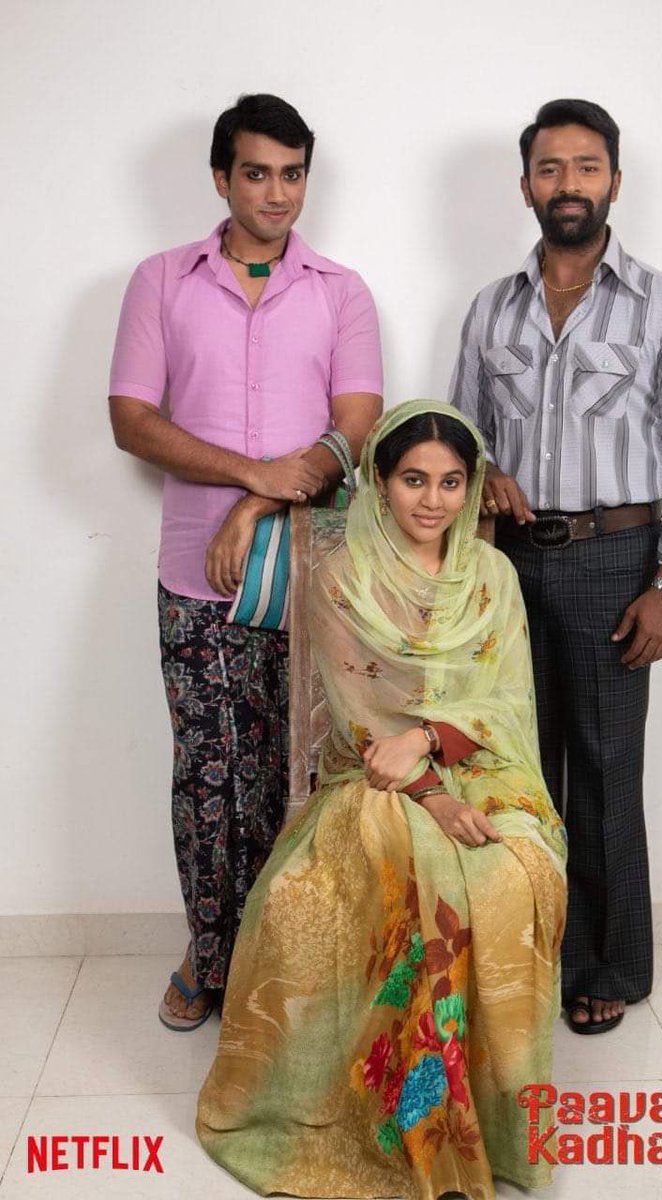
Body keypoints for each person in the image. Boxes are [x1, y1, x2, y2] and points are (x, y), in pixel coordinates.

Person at [196, 401, 566, 1197]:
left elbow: (507, 700)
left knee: (515, 874)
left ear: (471, 487)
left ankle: (488, 1120)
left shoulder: (492, 575)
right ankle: (408, 1123)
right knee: (408, 873)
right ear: (379, 483)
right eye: (413, 480)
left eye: (451, 482)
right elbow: (361, 722)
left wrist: (429, 740)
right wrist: (433, 797)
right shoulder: (344, 577)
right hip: (369, 774)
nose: (432, 500)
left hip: (485, 765)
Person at [449, 99, 662, 1034]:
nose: (567, 184)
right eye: (550, 168)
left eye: (586, 166)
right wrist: (483, 473)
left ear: (614, 180)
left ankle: (609, 965)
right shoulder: (491, 309)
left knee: (606, 770)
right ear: (526, 185)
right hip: (508, 565)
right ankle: (529, 956)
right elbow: (459, 437)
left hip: (617, 560)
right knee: (515, 767)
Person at [108, 93, 383, 1030]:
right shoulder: (161, 281)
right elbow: (131, 419)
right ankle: (210, 952)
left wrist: (261, 499)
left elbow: (356, 428)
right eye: (257, 173)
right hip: (198, 575)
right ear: (221, 178)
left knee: (299, 769)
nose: (277, 193)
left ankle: (284, 958)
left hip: (312, 573)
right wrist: (246, 472)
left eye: (293, 174)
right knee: (207, 773)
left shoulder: (341, 290)